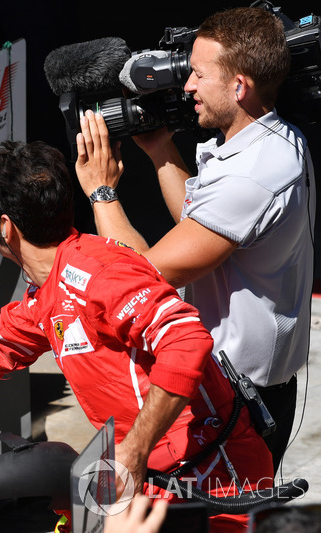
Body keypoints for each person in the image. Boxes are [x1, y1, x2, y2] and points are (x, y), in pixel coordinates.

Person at [0, 140, 273, 532]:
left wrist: (134, 448)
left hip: (214, 482)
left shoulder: (97, 273)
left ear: (6, 229)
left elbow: (188, 341)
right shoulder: (50, 291)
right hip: (152, 479)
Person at [73, 6, 316, 474]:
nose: (186, 86)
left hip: (236, 403)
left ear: (239, 86)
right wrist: (162, 149)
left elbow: (139, 277)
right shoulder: (272, 139)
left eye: (198, 75)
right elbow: (201, 218)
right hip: (245, 391)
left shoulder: (253, 177)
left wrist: (101, 192)